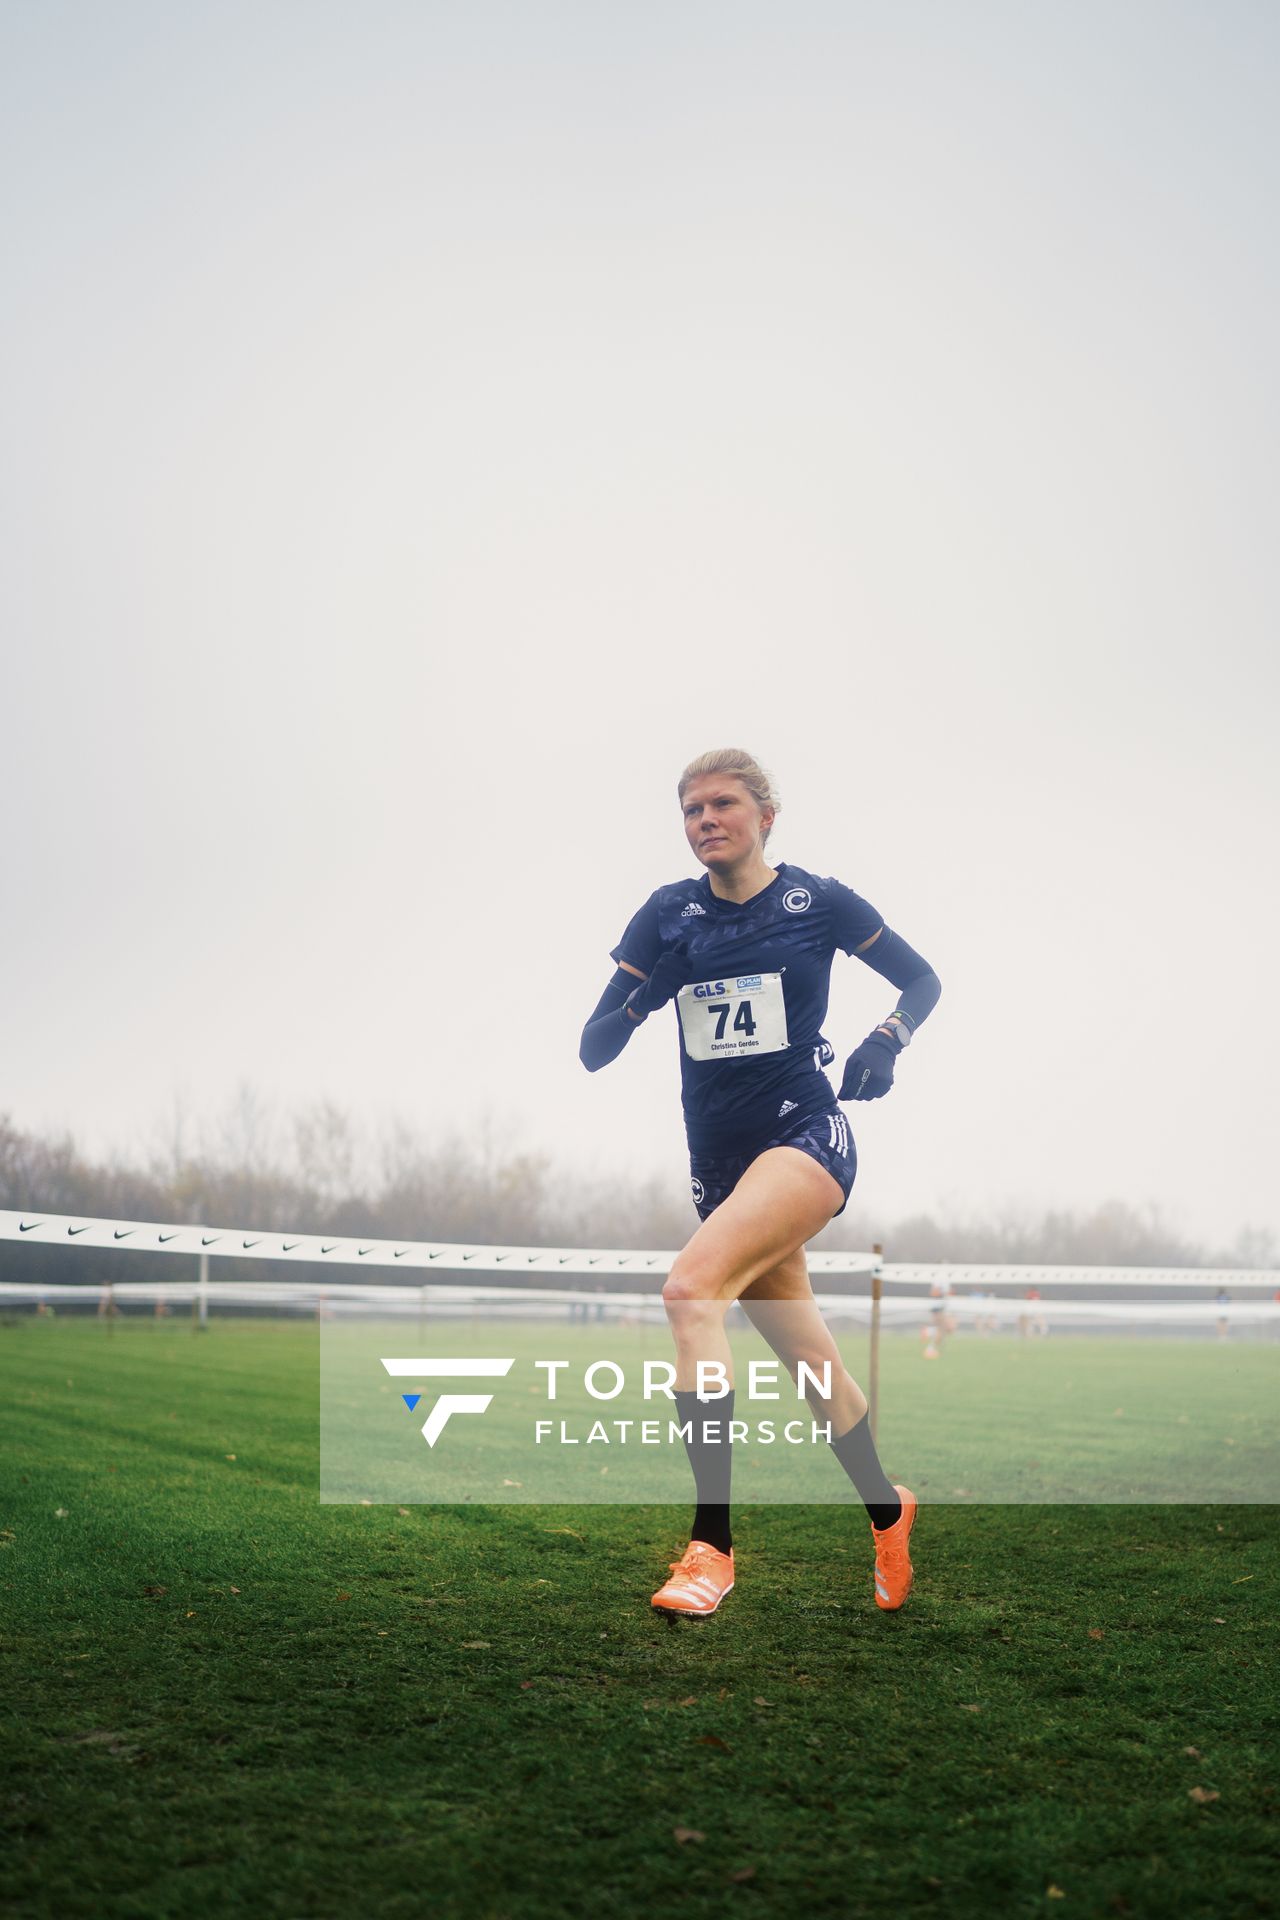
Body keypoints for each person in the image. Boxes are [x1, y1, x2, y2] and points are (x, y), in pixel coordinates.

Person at [579, 749, 941, 1618]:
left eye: (722, 804)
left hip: (806, 1136)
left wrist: (886, 1039)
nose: (705, 820)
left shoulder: (816, 902)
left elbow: (922, 979)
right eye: (691, 810)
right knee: (813, 1365)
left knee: (689, 1288)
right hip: (720, 1171)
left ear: (765, 815)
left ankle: (712, 1550)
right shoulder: (665, 916)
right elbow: (593, 1048)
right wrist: (646, 993)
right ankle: (889, 1513)